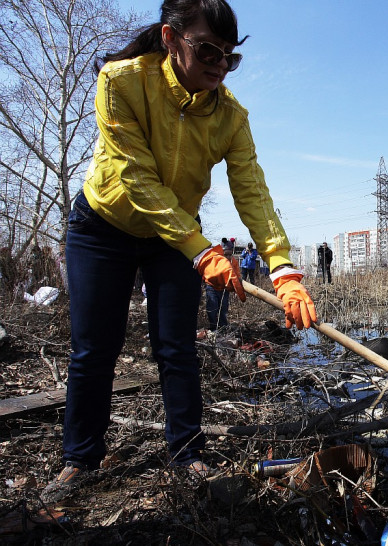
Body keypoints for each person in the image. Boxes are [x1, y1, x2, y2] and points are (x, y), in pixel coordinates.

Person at [43, 0, 317, 502]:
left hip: (173, 239)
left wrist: (283, 268)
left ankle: (187, 453)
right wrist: (201, 250)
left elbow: (252, 190)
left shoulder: (231, 116)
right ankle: (80, 459)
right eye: (208, 50)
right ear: (171, 38)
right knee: (95, 349)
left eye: (230, 56)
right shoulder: (121, 82)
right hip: (104, 226)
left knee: (177, 347)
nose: (220, 64)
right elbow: (136, 177)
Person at [205, 237, 237, 330]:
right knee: (212, 307)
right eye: (225, 254)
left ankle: (223, 327)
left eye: (230, 255)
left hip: (224, 289)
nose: (228, 257)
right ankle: (213, 327)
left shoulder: (233, 262)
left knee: (223, 309)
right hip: (211, 287)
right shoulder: (214, 260)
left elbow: (237, 276)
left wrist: (236, 289)